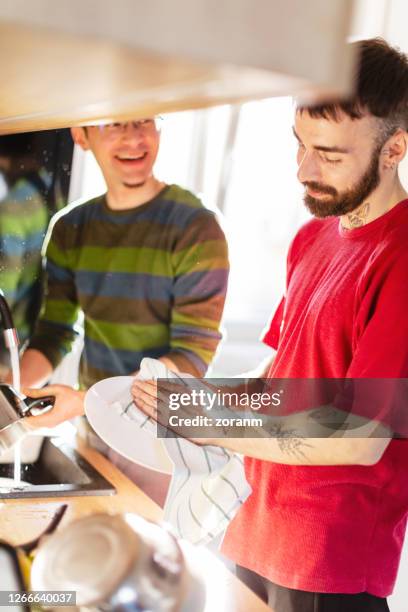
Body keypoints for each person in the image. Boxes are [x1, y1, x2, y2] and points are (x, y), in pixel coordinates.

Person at [133, 38, 408, 611]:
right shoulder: (315, 236)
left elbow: (360, 438)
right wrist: (183, 402)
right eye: (299, 144)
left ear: (395, 149)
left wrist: (212, 423)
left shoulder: (400, 256)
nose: (304, 170)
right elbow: (281, 373)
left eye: (329, 154)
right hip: (254, 530)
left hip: (329, 564)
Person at [16, 117, 229, 502]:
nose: (133, 137)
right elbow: (55, 332)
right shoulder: (70, 228)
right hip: (93, 434)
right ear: (80, 135)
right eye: (113, 124)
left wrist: (87, 401)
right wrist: (14, 387)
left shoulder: (196, 226)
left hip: (160, 443)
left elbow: (192, 355)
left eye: (145, 120)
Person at [0, 134, 54, 375]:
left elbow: (4, 288)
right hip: (37, 330)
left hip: (10, 336)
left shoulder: (14, 206)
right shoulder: (48, 187)